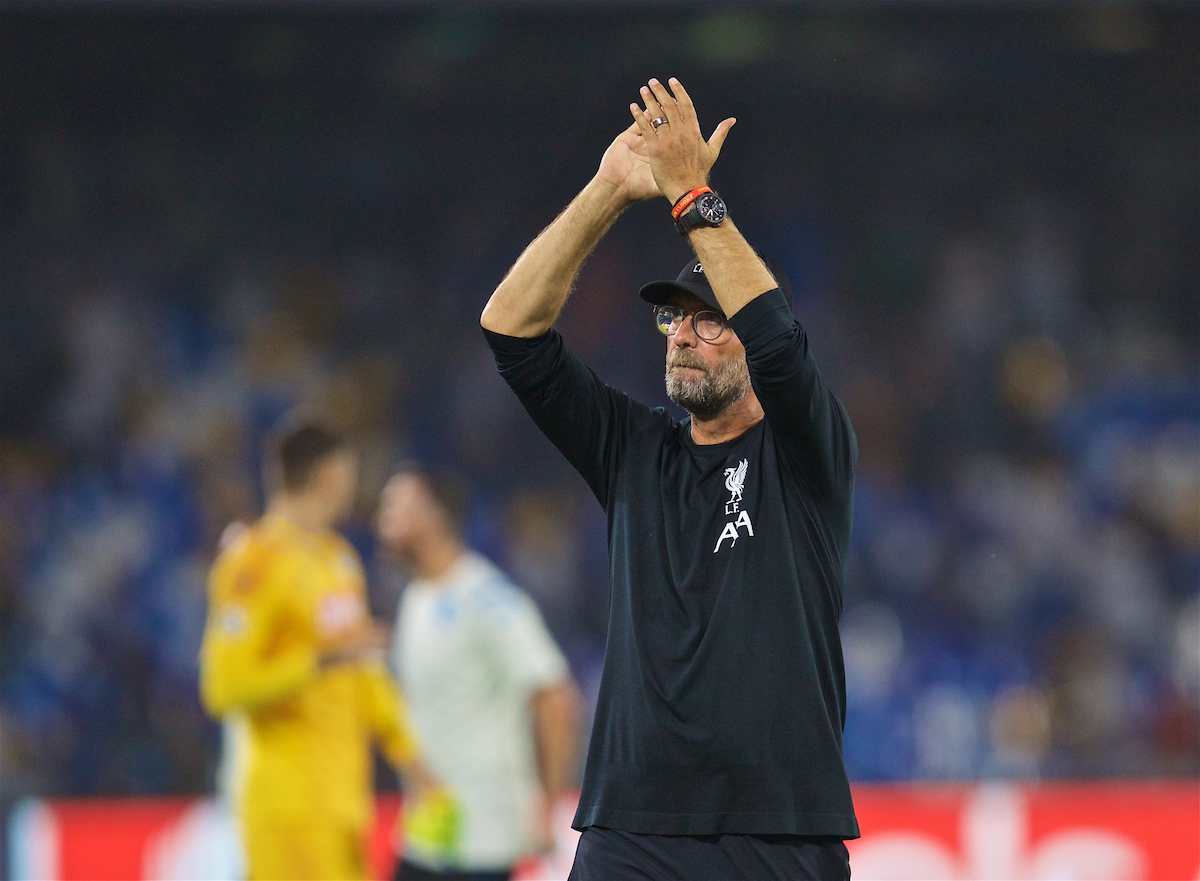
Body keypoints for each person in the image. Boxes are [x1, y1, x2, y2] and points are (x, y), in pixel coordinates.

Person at [479, 78, 859, 880]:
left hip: (779, 833)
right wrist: (609, 191)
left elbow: (784, 348)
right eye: (673, 317)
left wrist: (692, 194)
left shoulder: (804, 451)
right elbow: (511, 330)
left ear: (751, 336)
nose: (682, 335)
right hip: (631, 829)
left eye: (709, 317)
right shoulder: (632, 448)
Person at [199, 420, 449, 881]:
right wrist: (321, 660)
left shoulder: (338, 559)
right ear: (330, 475)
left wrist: (410, 756)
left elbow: (363, 670)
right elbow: (224, 687)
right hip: (285, 810)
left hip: (343, 805)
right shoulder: (252, 563)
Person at [377, 464, 583, 881]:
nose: (382, 521)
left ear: (433, 517)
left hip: (481, 839)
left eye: (396, 508)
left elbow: (557, 698)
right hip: (429, 830)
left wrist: (547, 804)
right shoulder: (416, 597)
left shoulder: (487, 599)